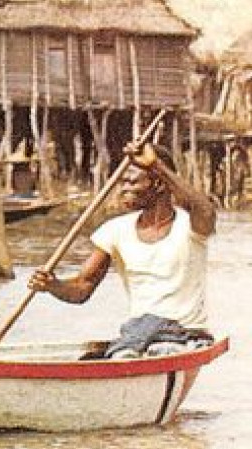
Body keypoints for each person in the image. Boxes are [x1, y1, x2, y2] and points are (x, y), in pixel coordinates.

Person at [28, 141, 216, 358]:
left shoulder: (190, 226)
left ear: (159, 184)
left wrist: (157, 165)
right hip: (140, 332)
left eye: (131, 182)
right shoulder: (115, 230)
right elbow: (82, 288)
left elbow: (207, 212)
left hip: (184, 333)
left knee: (158, 348)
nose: (123, 189)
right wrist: (52, 285)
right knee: (124, 350)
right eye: (122, 182)